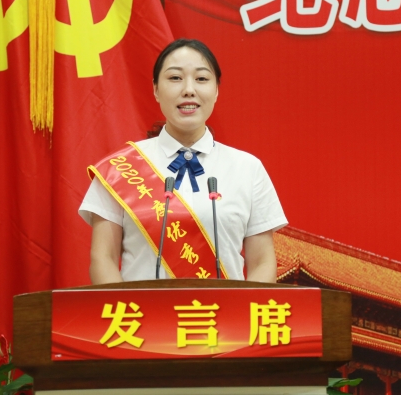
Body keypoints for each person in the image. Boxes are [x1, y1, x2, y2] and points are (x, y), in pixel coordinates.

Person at [79, 39, 287, 284]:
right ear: (156, 89)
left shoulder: (247, 169)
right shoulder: (119, 169)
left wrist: (243, 310)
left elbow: (262, 262)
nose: (189, 89)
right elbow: (103, 258)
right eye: (175, 78)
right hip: (140, 309)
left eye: (201, 79)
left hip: (223, 310)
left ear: (216, 90)